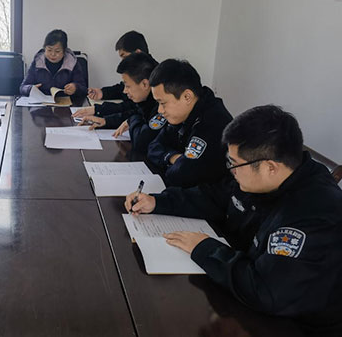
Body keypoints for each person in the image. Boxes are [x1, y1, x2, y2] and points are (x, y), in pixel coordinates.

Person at [125, 106, 342, 335]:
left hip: (295, 323)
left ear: (270, 167)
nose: (231, 170)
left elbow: (266, 290)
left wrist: (204, 248)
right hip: (247, 289)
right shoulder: (266, 178)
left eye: (235, 164)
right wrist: (157, 202)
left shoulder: (314, 214)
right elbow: (216, 196)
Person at [146, 59, 232, 187]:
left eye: (162, 103)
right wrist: (173, 157)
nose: (160, 110)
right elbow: (153, 147)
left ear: (187, 97)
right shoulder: (182, 114)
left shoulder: (213, 123)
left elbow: (181, 174)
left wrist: (173, 161)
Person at [78, 53, 164, 156]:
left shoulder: (161, 106)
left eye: (128, 86)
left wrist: (132, 120)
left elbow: (142, 141)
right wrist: (106, 121)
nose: (124, 91)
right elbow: (133, 113)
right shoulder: (146, 99)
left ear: (145, 84)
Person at [73, 31, 156, 134]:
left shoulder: (155, 81)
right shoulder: (144, 74)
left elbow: (132, 109)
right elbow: (122, 89)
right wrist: (103, 93)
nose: (125, 91)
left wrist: (100, 111)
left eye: (124, 57)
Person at [19, 29, 87, 97]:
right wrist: (30, 89)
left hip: (64, 101)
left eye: (57, 51)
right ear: (44, 49)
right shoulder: (37, 62)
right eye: (49, 50)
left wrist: (75, 88)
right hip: (41, 101)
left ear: (64, 51)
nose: (53, 54)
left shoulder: (72, 63)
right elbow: (23, 88)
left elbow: (84, 89)